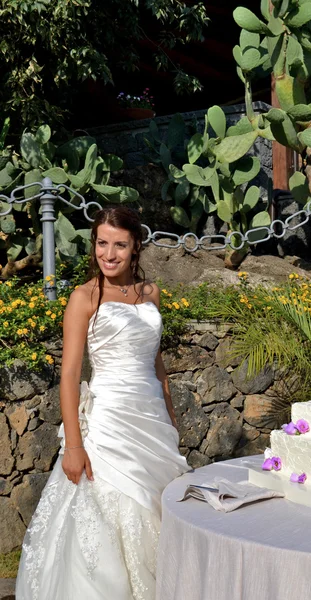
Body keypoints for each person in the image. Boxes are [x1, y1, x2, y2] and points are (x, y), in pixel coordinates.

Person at [16, 206, 190, 600]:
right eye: (102, 243)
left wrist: (172, 422)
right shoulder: (83, 298)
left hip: (152, 425)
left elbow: (158, 368)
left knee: (157, 513)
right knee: (106, 515)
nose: (109, 254)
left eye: (120, 245)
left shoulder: (151, 294)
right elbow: (69, 375)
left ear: (136, 247)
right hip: (109, 425)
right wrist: (74, 446)